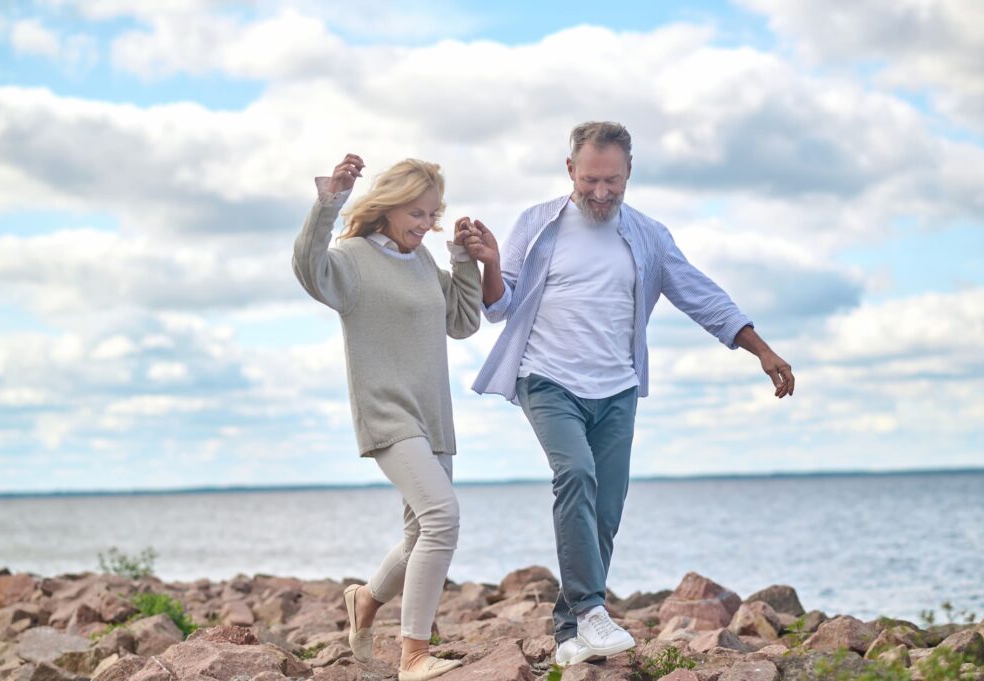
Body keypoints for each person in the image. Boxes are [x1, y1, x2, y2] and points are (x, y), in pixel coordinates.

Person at [466, 122, 795, 667]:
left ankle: (570, 633)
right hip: (546, 377)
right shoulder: (537, 224)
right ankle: (594, 610)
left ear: (628, 174)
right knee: (575, 474)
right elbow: (499, 307)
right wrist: (490, 262)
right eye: (590, 179)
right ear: (570, 169)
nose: (600, 192)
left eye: (612, 182)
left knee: (607, 510)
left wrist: (760, 349)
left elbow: (700, 294)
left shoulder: (647, 236)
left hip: (616, 386)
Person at [291, 153, 492, 681]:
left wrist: (461, 259)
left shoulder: (424, 261)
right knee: (442, 518)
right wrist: (329, 202)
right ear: (389, 205)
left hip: (433, 419)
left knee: (417, 536)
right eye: (418, 214)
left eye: (433, 216)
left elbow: (464, 322)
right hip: (387, 415)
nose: (425, 225)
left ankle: (364, 602)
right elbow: (308, 271)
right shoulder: (351, 258)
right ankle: (413, 655)